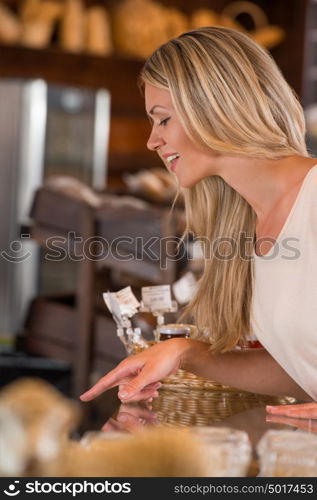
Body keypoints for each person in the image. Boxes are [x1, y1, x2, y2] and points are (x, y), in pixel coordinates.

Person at [81, 27, 317, 417]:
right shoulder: (246, 226)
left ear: (214, 107)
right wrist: (186, 352)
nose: (152, 142)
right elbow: (301, 371)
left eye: (163, 120)